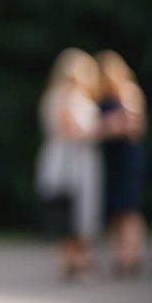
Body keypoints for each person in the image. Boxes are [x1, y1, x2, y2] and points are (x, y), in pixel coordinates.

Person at [35, 48, 104, 279]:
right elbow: (71, 130)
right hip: (73, 161)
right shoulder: (69, 97)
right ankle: (75, 260)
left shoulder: (51, 96)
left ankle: (74, 259)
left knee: (70, 211)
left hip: (64, 159)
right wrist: (105, 128)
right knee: (75, 211)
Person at [95, 49, 148, 277]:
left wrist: (107, 126)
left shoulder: (128, 92)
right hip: (113, 157)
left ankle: (131, 257)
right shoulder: (106, 96)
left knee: (129, 209)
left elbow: (134, 127)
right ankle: (122, 255)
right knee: (117, 209)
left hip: (126, 157)